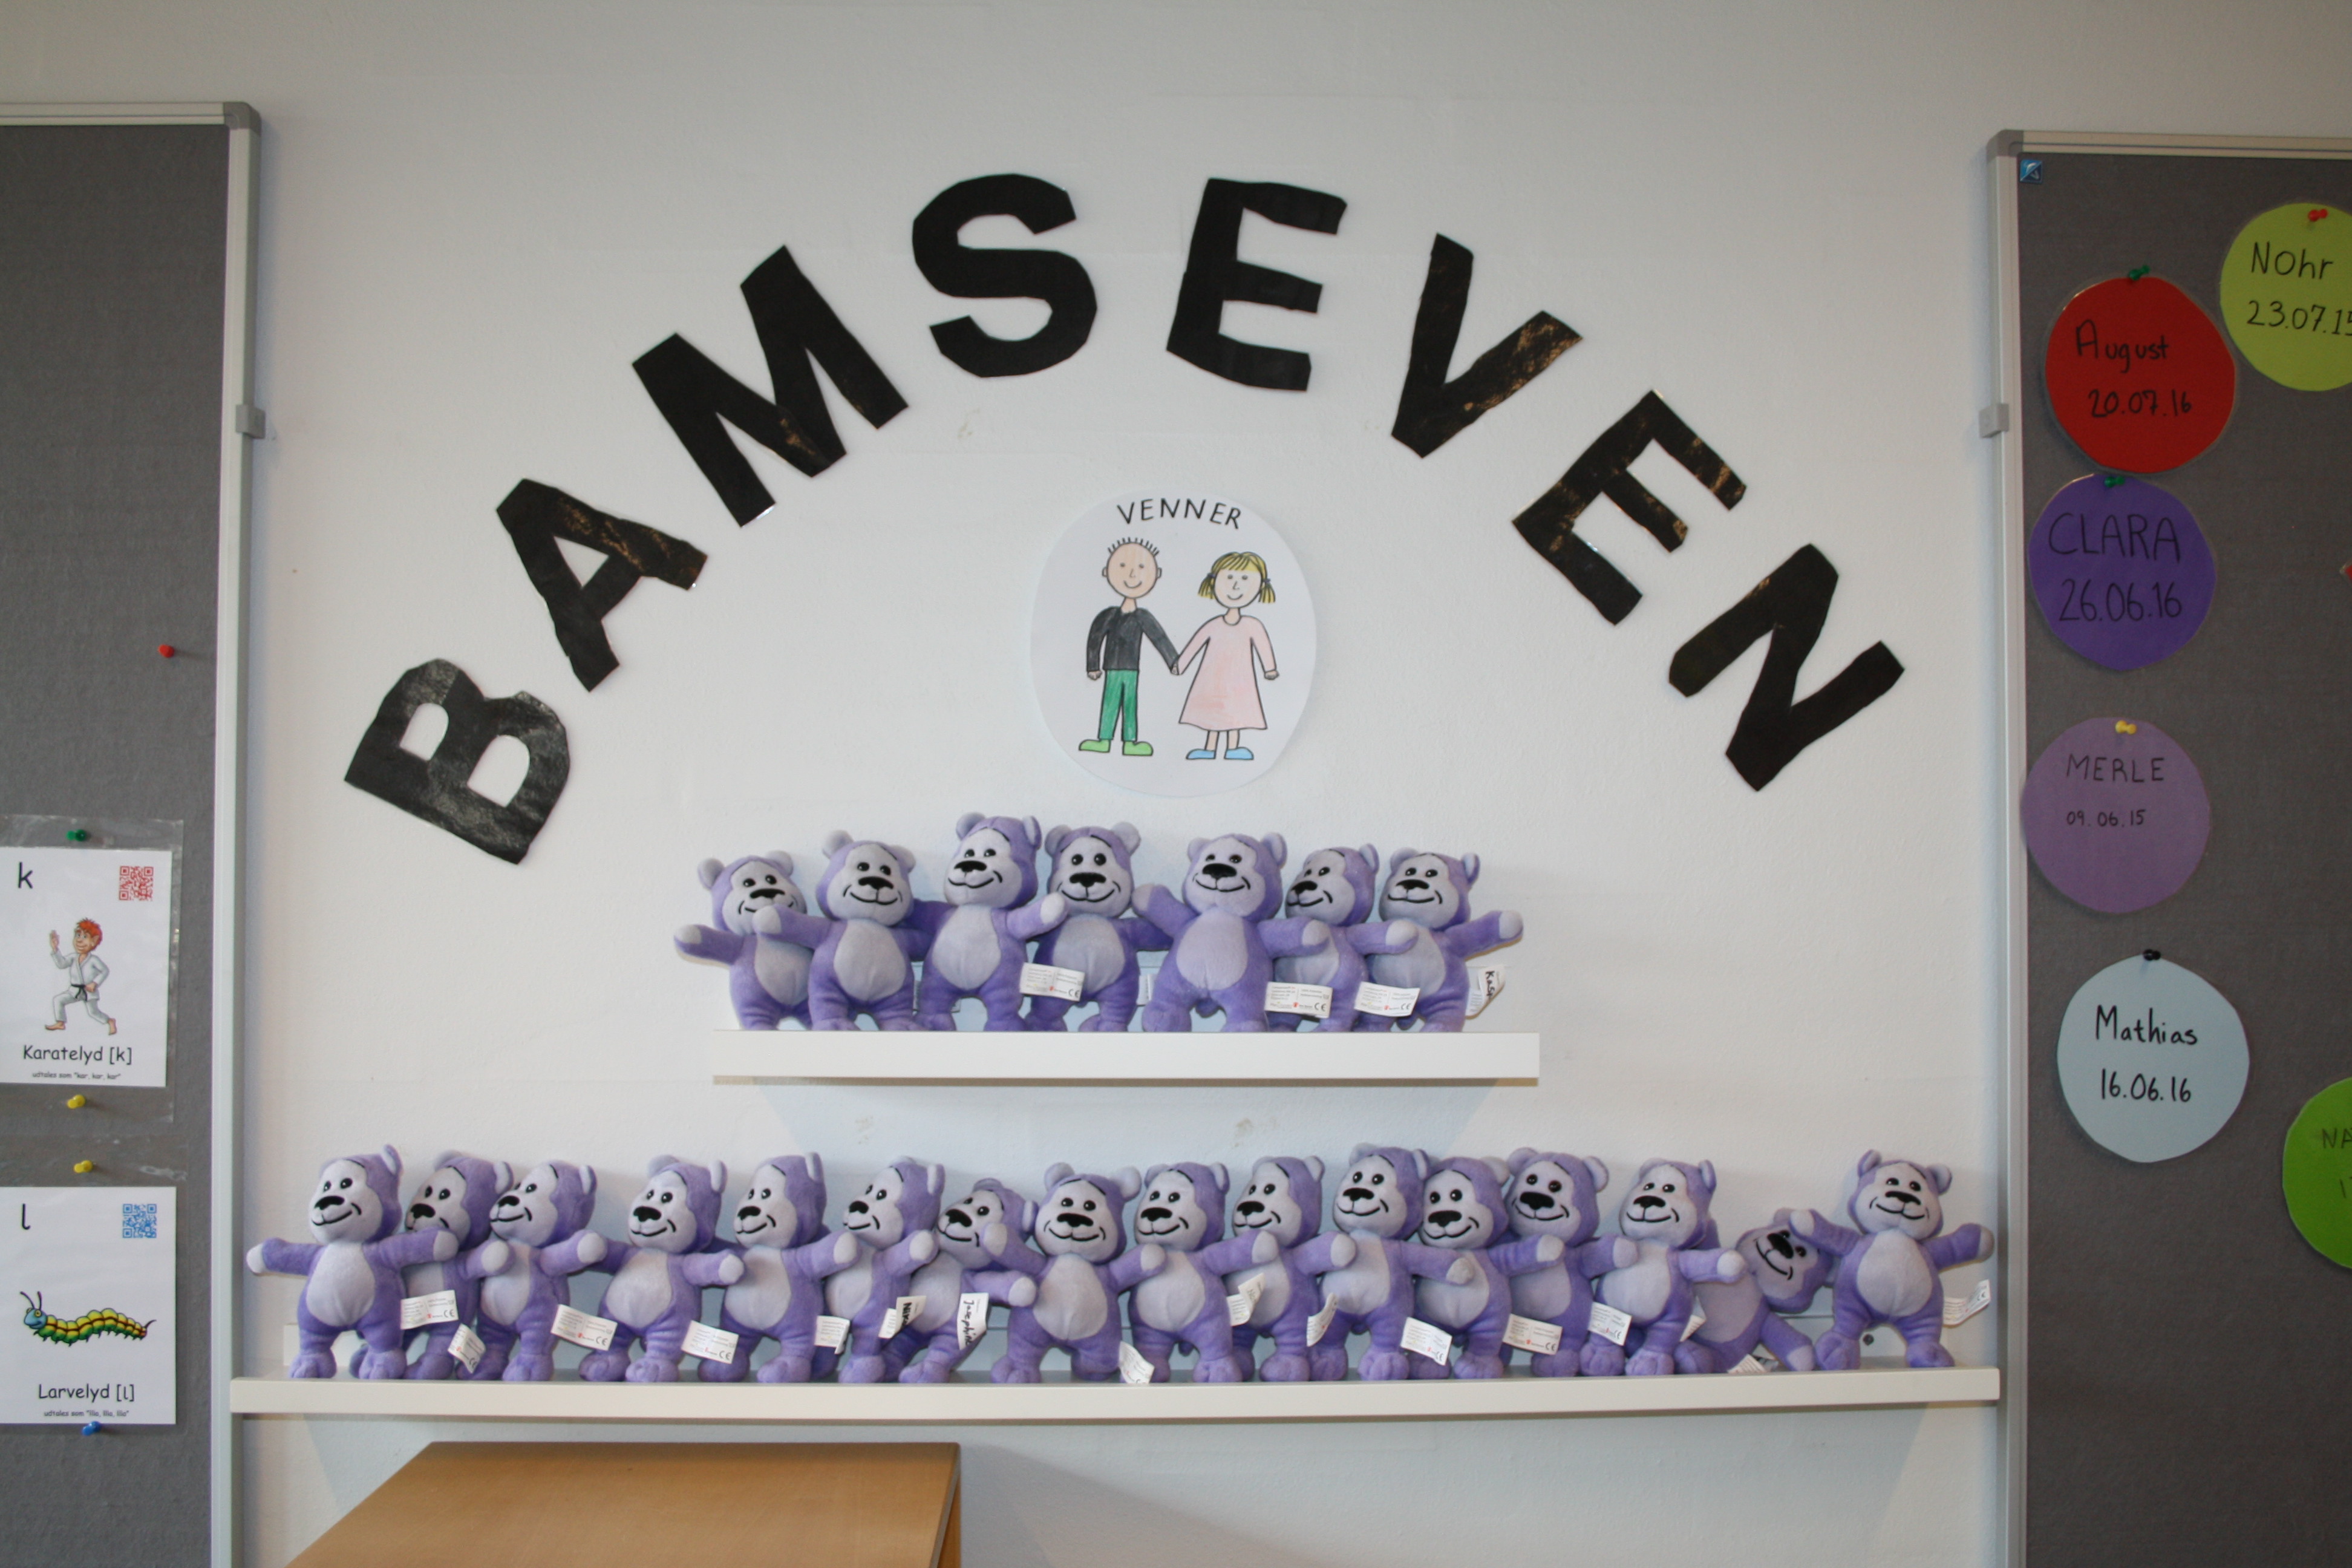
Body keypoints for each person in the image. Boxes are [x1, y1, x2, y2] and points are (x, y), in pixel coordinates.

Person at [1173, 551, 1279, 760]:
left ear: (1260, 586)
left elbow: (1263, 646)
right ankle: (1209, 748)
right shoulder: (1214, 625)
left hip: (1240, 680)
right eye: (1229, 577)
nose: (1236, 586)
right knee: (1212, 711)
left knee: (1235, 711)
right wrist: (1181, 665)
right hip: (1211, 679)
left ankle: (1233, 747)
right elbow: (1195, 644)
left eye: (1245, 579)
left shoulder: (1252, 625)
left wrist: (1270, 669)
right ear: (1214, 582)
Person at [1081, 537, 1180, 757]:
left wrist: (1174, 661)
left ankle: (1130, 742)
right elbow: (1095, 639)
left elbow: (1160, 638)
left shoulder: (1143, 616)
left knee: (1130, 703)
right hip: (1112, 668)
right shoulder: (1108, 615)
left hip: (1132, 669)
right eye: (1123, 566)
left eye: (1142, 567)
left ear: (1157, 574)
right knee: (1110, 701)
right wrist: (1093, 666)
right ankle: (1104, 739)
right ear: (1107, 572)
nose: (1132, 574)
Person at [46, 919, 116, 1035]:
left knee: (93, 1013)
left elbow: (105, 971)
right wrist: (55, 949)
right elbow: (62, 964)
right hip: (74, 991)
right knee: (58, 1000)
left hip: (89, 991)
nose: (79, 940)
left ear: (94, 941)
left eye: (85, 937)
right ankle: (60, 1023)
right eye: (78, 935)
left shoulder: (94, 960)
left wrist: (95, 983)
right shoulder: (74, 957)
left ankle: (110, 1021)